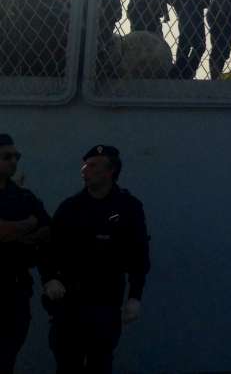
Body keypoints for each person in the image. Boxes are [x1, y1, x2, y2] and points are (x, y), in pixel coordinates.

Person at [42, 145, 150, 374]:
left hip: (104, 301)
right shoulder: (70, 208)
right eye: (84, 165)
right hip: (69, 303)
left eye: (92, 166)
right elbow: (49, 249)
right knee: (67, 363)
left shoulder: (128, 208)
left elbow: (138, 254)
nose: (85, 170)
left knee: (100, 363)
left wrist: (135, 296)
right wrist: (49, 278)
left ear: (110, 171)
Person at [0, 134, 51, 374]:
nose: (14, 161)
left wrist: (18, 235)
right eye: (6, 156)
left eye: (16, 156)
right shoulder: (25, 201)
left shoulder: (24, 197)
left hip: (15, 289)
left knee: (7, 357)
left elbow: (48, 231)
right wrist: (27, 224)